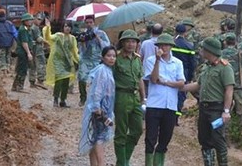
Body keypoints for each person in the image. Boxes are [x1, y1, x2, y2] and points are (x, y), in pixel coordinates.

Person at [181, 37, 234, 166]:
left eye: (203, 49)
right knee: (204, 140)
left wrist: (226, 111)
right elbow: (198, 85)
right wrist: (179, 88)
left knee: (218, 140)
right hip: (204, 109)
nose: (201, 51)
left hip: (217, 110)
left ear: (209, 51)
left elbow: (229, 90)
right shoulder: (206, 67)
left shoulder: (225, 68)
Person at [142, 33, 185, 166]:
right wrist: (157, 60)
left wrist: (166, 82)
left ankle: (158, 163)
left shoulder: (177, 63)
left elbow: (181, 83)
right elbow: (154, 79)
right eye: (161, 45)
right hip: (154, 104)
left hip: (170, 105)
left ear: (171, 46)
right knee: (150, 138)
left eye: (166, 45)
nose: (164, 47)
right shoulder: (150, 60)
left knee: (165, 138)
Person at [79, 46, 117, 166]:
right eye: (109, 56)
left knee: (95, 139)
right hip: (99, 111)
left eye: (114, 56)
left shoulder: (107, 70)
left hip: (103, 110)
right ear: (103, 57)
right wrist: (97, 109)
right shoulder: (101, 71)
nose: (111, 58)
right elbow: (97, 91)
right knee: (99, 140)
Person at [113, 29, 145, 166]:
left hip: (135, 97)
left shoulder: (137, 59)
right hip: (121, 96)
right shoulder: (116, 59)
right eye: (128, 41)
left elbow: (140, 79)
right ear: (123, 43)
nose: (131, 44)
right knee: (121, 131)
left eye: (133, 41)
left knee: (137, 129)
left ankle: (125, 158)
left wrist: (143, 97)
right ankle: (122, 162)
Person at [221, 32, 242, 137]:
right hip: (238, 86)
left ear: (225, 42)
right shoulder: (241, 54)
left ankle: (225, 133)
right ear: (235, 42)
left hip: (224, 87)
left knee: (225, 110)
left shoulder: (221, 54)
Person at [43, 18, 79, 107]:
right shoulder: (58, 36)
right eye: (66, 26)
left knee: (66, 82)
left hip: (67, 62)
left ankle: (63, 100)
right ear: (63, 27)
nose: (67, 28)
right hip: (58, 61)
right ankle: (55, 98)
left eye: (69, 27)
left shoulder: (72, 38)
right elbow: (48, 37)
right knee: (58, 80)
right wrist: (48, 27)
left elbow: (74, 51)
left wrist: (78, 60)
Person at [78, 15, 111, 106]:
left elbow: (107, 46)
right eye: (87, 23)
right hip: (85, 59)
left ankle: (95, 98)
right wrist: (83, 42)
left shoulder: (101, 33)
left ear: (94, 23)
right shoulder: (84, 34)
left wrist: (98, 38)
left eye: (91, 22)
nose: (89, 24)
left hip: (97, 60)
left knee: (97, 80)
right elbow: (82, 50)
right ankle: (83, 97)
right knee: (81, 78)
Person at [172, 23, 196, 117]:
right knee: (181, 94)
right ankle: (176, 116)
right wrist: (190, 77)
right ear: (185, 32)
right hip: (184, 72)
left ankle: (170, 114)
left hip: (172, 70)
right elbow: (192, 63)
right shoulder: (189, 46)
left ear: (175, 31)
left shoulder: (171, 44)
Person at [13, 12, 35, 92]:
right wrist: (28, 53)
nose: (30, 22)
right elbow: (24, 43)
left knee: (20, 68)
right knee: (22, 69)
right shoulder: (23, 30)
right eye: (28, 20)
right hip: (23, 52)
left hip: (23, 51)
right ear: (25, 21)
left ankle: (15, 86)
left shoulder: (25, 29)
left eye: (31, 20)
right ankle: (19, 86)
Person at [29, 13, 48, 89]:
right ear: (34, 19)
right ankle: (40, 80)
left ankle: (32, 81)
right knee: (41, 63)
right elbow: (38, 39)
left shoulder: (32, 27)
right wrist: (46, 42)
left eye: (40, 20)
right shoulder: (35, 28)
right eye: (38, 19)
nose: (39, 21)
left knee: (32, 65)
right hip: (37, 48)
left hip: (33, 47)